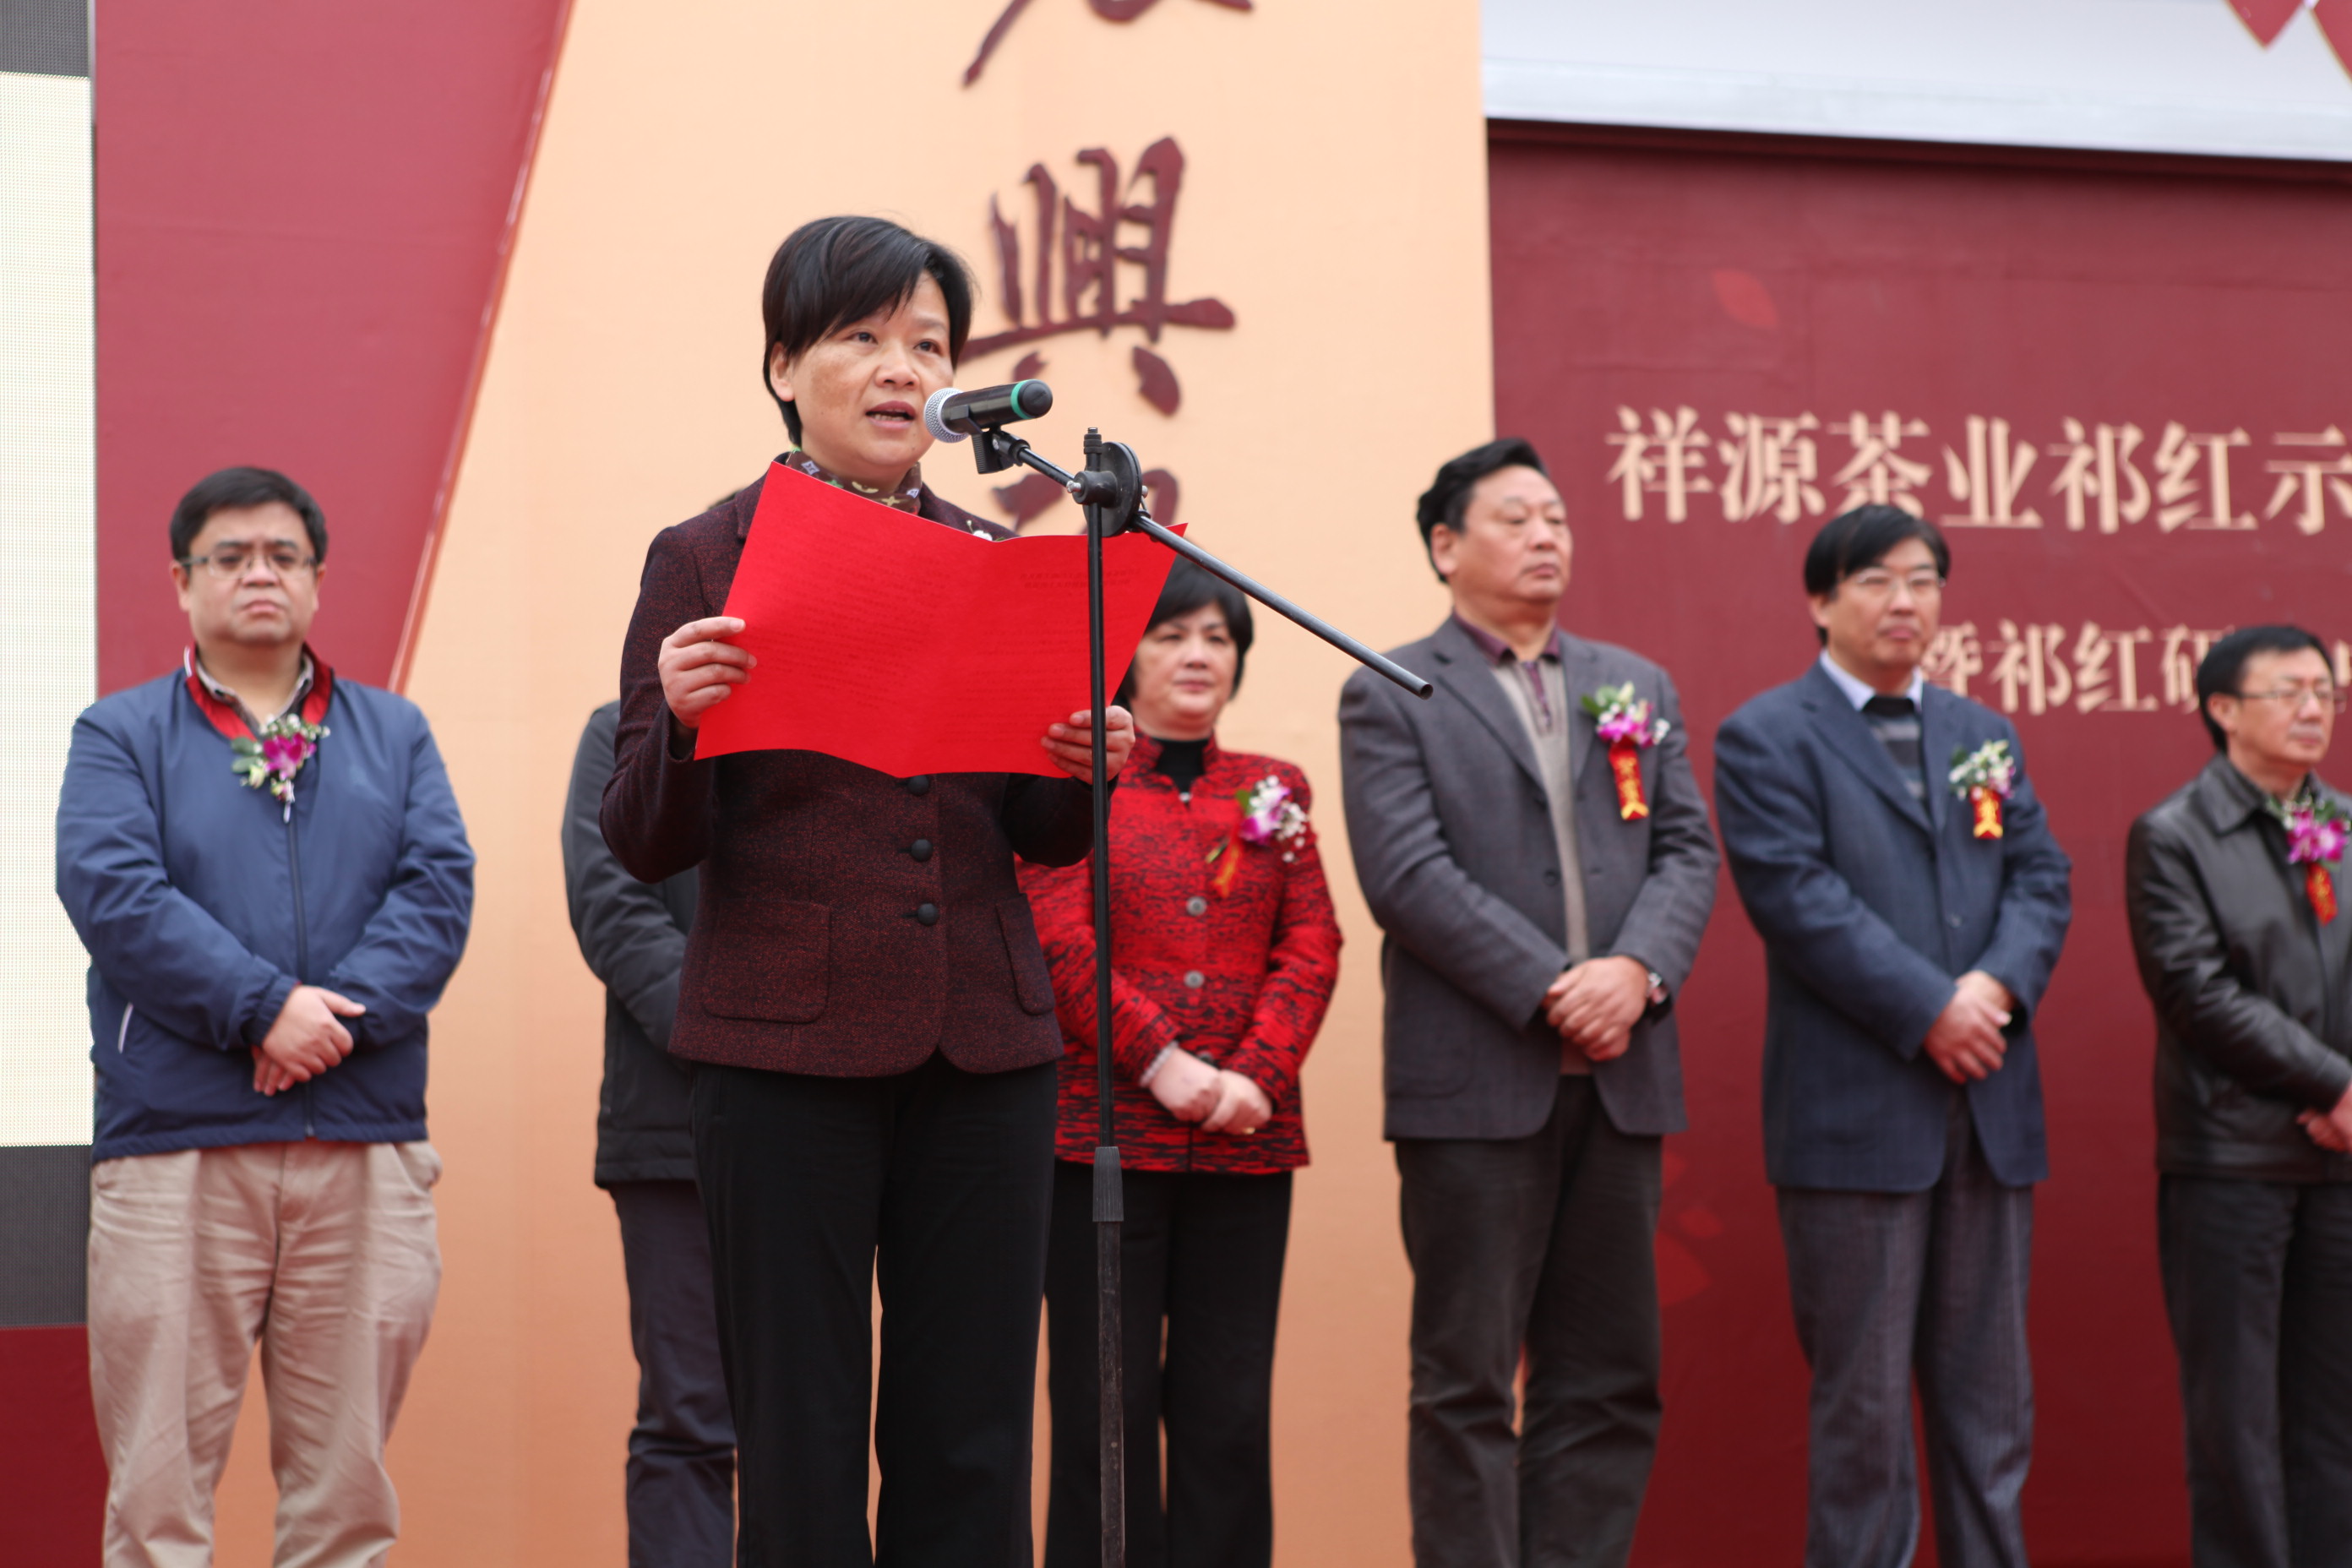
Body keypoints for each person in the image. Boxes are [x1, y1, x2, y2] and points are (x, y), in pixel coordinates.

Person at [599, 215, 1134, 1568]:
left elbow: (1041, 836)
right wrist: (680, 721)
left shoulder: (1000, 556)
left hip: (985, 1045)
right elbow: (641, 841)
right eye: (863, 337)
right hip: (783, 1053)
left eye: (930, 345)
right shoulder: (703, 555)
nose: (904, 369)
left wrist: (1083, 763)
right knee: (803, 1435)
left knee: (971, 1441)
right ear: (784, 365)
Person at [57, 466, 475, 1568]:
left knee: (345, 1503)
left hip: (362, 1141)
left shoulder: (395, 732)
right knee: (156, 1503)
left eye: (283, 555)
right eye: (230, 556)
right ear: (182, 581)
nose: (259, 574)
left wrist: (328, 1027)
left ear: (317, 580)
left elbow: (436, 893)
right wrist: (261, 1009)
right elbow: (114, 894)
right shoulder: (120, 733)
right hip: (177, 1150)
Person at [1337, 438, 1718, 1568]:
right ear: (1445, 546)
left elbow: (1687, 850)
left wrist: (1635, 972)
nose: (1547, 535)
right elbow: (1408, 877)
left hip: (1621, 1077)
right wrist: (1554, 987)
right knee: (1465, 1378)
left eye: (1556, 516)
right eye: (1516, 518)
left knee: (1608, 1376)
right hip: (1474, 1086)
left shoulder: (1634, 684)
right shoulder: (1392, 687)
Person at [1712, 504, 2071, 1568]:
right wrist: (1930, 1009)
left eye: (1922, 579)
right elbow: (1798, 898)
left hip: (1988, 1105)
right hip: (1855, 1117)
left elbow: (2041, 877)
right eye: (1875, 579)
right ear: (1821, 601)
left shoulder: (1981, 732)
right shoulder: (1766, 734)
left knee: (1991, 1410)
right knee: (1864, 1419)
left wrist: (1993, 989)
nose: (1904, 600)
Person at [1021, 560, 1342, 1568]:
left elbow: (1313, 942)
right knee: (1101, 1412)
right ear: (1125, 659)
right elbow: (1057, 935)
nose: (1199, 654)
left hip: (1246, 1139)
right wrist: (1159, 1059)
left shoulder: (1276, 786)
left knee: (1229, 1410)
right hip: (1099, 1140)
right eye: (1170, 635)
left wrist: (1256, 1073)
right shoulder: (1077, 781)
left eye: (1217, 636)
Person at [2124, 624, 2352, 1568]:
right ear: (2222, 709)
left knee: (2335, 1412)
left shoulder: (2344, 822)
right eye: (2287, 691)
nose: (2312, 710)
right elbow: (2197, 992)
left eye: (2324, 692)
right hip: (2233, 1158)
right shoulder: (2173, 834)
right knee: (2236, 1418)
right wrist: (2334, 1082)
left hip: (2341, 1160)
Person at [563, 700, 733, 1567]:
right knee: (688, 1415)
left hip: (836, 1119)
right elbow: (614, 910)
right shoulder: (622, 731)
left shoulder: (840, 722)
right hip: (675, 1128)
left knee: (814, 1415)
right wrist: (736, 1037)